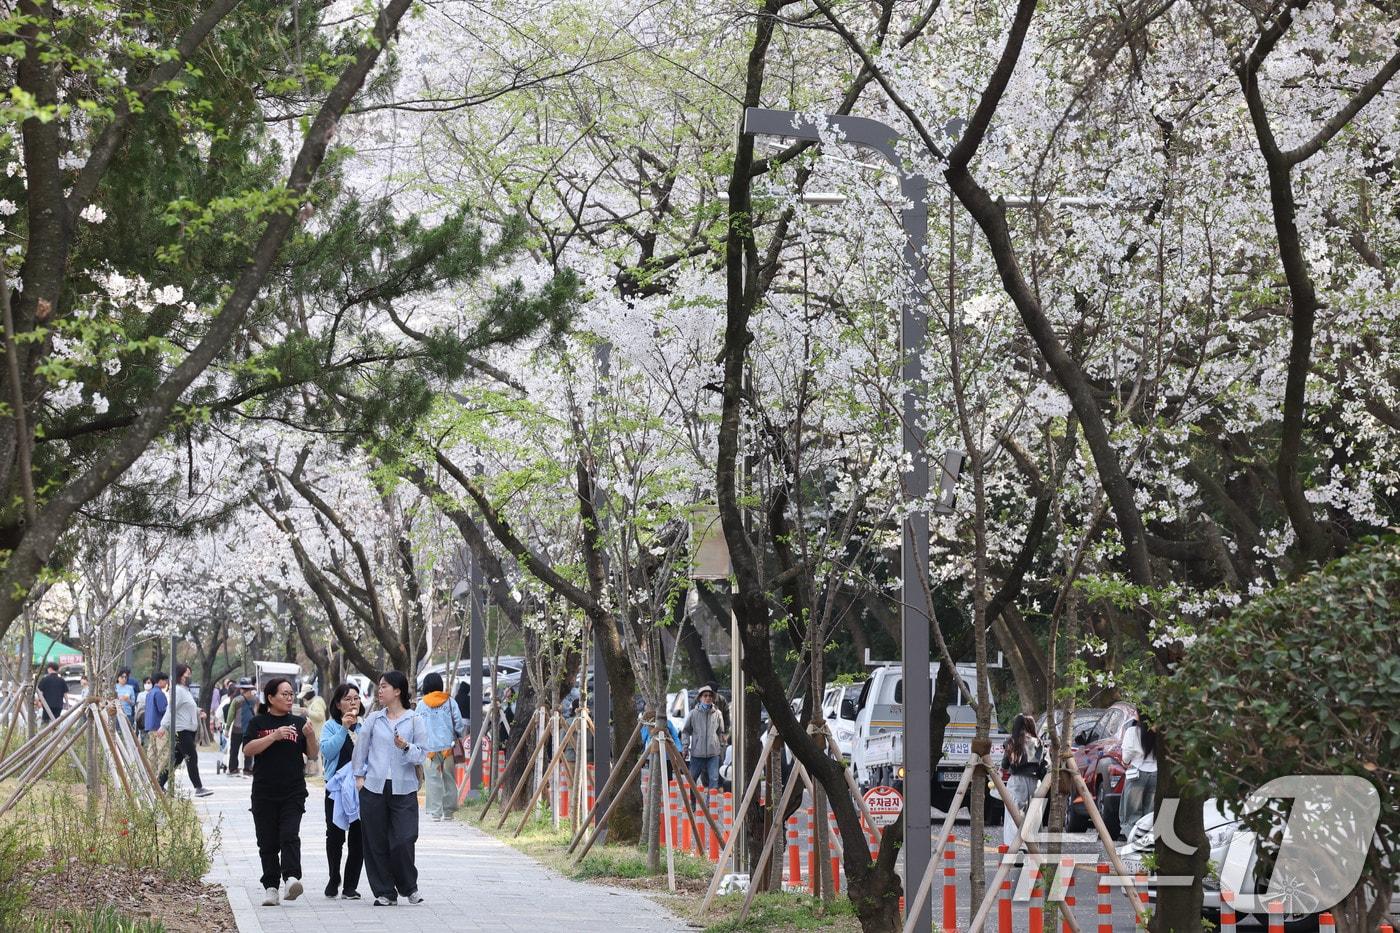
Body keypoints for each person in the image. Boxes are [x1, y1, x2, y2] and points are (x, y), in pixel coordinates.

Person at [351, 670, 427, 907]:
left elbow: (422, 755)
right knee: (375, 842)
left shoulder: (415, 720)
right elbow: (360, 750)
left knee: (404, 839)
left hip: (404, 789)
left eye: (384, 686)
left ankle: (408, 886)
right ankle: (385, 891)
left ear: (398, 691)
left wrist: (405, 747)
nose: (380, 690)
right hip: (373, 787)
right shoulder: (374, 719)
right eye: (379, 686)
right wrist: (359, 778)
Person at [243, 677, 318, 907]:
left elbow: (313, 755)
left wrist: (310, 735)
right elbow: (247, 750)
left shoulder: (298, 722)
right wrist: (274, 736)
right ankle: (271, 887)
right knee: (267, 842)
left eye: (291, 694)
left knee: (289, 835)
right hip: (264, 792)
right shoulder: (258, 722)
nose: (289, 698)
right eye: (284, 694)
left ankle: (292, 878)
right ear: (270, 698)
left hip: (293, 791)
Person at [320, 683, 365, 899]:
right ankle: (333, 877)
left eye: (356, 698)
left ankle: (350, 886)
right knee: (335, 835)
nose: (353, 702)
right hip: (335, 788)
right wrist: (343, 728)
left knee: (359, 836)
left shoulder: (364, 726)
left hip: (359, 787)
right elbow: (328, 752)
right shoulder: (330, 726)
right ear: (338, 704)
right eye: (348, 699)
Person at [416, 672, 467, 822]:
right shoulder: (450, 702)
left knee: (432, 780)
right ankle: (449, 812)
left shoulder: (421, 704)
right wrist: (457, 735)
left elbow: (416, 726)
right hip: (448, 748)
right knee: (449, 779)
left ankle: (435, 812)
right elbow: (459, 724)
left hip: (429, 750)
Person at [156, 664, 212, 797]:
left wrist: (199, 712)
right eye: (187, 673)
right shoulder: (177, 691)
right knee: (191, 757)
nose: (189, 676)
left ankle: (158, 784)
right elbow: (171, 709)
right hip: (182, 731)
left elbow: (187, 708)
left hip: (188, 730)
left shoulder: (185, 690)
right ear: (180, 675)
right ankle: (198, 787)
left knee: (175, 760)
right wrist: (163, 726)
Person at [1001, 713, 1043, 848]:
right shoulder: (1038, 742)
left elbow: (1005, 765)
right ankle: (1032, 848)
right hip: (1035, 781)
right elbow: (1044, 765)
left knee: (1013, 814)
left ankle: (1015, 848)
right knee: (1034, 815)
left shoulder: (1011, 742)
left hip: (1017, 781)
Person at [681, 685, 726, 796]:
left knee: (714, 780)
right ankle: (693, 804)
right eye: (705, 696)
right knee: (692, 779)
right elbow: (685, 731)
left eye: (710, 696)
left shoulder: (718, 714)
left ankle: (711, 807)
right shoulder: (693, 714)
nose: (708, 698)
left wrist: (721, 747)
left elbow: (721, 732)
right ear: (700, 698)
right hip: (697, 753)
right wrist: (685, 746)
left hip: (713, 753)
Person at [1120, 712, 1157, 834]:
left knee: (1133, 814)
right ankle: (1147, 845)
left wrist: (1126, 762)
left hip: (1137, 774)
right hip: (1155, 775)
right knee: (1149, 814)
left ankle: (1133, 843)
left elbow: (1126, 757)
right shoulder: (1159, 732)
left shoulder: (1132, 732)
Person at [226, 678, 257, 776]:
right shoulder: (256, 700)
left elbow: (231, 715)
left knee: (234, 750)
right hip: (250, 729)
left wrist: (227, 728)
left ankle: (233, 769)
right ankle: (247, 769)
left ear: (241, 689)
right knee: (248, 750)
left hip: (237, 729)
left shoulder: (237, 700)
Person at [143, 672, 169, 744]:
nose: (166, 683)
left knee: (152, 751)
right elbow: (162, 709)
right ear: (160, 681)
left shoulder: (149, 693)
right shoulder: (159, 693)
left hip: (150, 725)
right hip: (158, 726)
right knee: (162, 750)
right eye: (165, 681)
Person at [114, 668, 137, 732]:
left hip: (127, 713)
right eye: (122, 677)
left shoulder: (130, 688)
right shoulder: (114, 687)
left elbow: (133, 703)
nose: (124, 679)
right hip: (115, 713)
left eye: (126, 677)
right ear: (118, 677)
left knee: (126, 732)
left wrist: (128, 700)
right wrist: (118, 698)